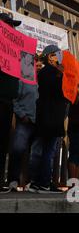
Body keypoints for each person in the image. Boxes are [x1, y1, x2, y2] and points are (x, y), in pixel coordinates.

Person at [28, 45, 70, 193]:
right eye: (57, 54)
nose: (59, 57)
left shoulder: (43, 73)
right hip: (52, 119)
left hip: (43, 117)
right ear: (50, 56)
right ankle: (44, 182)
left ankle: (36, 182)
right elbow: (60, 94)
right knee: (48, 152)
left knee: (40, 151)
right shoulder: (54, 74)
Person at [2, 56, 42, 193]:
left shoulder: (41, 82)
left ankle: (29, 181)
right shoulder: (24, 80)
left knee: (34, 154)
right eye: (36, 63)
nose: (38, 66)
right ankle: (13, 180)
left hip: (37, 122)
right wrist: (21, 114)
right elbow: (15, 99)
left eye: (39, 64)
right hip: (25, 121)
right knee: (18, 150)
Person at [0, 13, 21, 190]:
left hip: (8, 103)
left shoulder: (13, 54)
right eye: (9, 25)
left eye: (13, 26)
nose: (12, 29)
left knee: (3, 143)